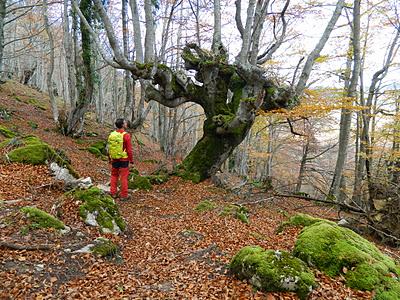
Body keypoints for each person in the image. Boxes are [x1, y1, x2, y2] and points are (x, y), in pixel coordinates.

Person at [108, 118, 133, 201]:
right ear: (122, 125)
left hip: (114, 158)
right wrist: (131, 160)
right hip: (124, 159)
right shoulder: (126, 135)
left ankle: (113, 193)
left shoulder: (112, 134)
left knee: (114, 175)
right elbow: (129, 150)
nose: (126, 123)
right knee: (124, 177)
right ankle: (124, 195)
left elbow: (109, 148)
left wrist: (110, 158)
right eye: (125, 122)